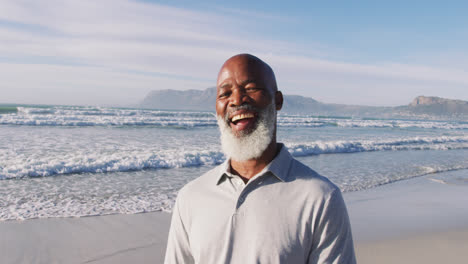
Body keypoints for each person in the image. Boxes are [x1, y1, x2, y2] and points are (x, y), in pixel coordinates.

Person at [164, 54, 356, 264]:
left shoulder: (320, 198)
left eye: (251, 88)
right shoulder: (191, 197)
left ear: (278, 100)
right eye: (225, 93)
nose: (236, 100)